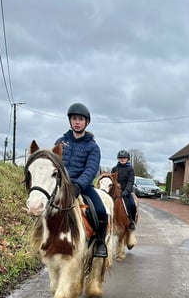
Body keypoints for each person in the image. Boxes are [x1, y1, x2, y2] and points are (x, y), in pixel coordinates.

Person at [54, 102, 109, 258]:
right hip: (60, 184)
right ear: (70, 121)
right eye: (74, 118)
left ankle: (100, 243)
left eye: (80, 119)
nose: (77, 122)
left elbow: (91, 169)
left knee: (101, 211)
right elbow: (54, 163)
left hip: (83, 186)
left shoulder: (93, 147)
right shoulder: (60, 142)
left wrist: (79, 185)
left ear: (87, 122)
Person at [111, 150, 137, 231]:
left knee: (132, 204)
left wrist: (126, 191)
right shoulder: (114, 169)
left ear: (127, 159)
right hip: (115, 192)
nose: (122, 159)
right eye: (120, 158)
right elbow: (112, 180)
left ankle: (131, 221)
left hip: (126, 192)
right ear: (118, 159)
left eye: (124, 158)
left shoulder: (130, 169)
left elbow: (130, 181)